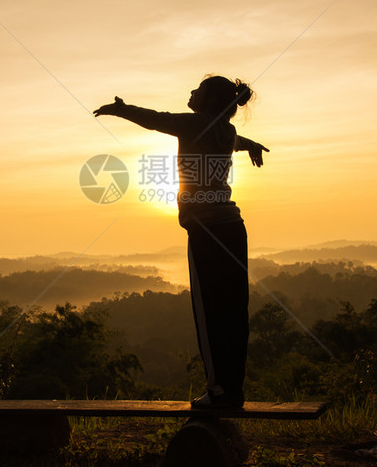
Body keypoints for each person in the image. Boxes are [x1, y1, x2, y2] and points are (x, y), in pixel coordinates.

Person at [94, 75, 268, 409]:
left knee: (211, 314)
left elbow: (157, 120)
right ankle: (232, 389)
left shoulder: (193, 124)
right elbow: (237, 141)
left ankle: (218, 392)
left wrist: (122, 109)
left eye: (198, 90)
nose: (191, 92)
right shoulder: (225, 130)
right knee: (234, 313)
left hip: (208, 231)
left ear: (210, 101)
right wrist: (253, 145)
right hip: (233, 227)